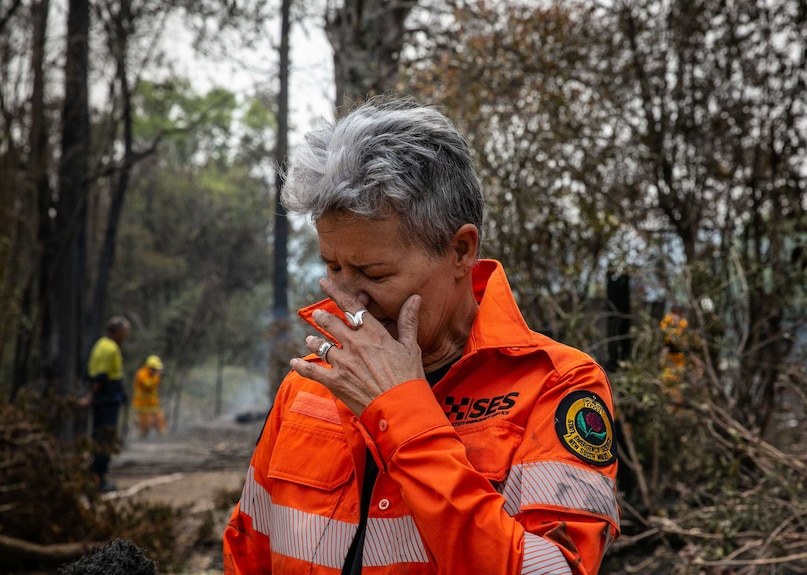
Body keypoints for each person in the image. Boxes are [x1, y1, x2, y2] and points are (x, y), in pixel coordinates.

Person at [223, 95, 620, 575]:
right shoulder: (310, 385)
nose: (349, 299)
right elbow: (247, 555)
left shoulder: (555, 386)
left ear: (460, 250)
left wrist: (404, 415)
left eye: (375, 273)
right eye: (332, 266)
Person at [81, 316, 130, 493]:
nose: (126, 335)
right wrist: (91, 396)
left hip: (108, 400)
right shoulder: (108, 348)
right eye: (125, 331)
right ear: (117, 331)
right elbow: (99, 376)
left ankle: (96, 477)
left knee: (102, 439)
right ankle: (98, 480)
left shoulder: (103, 344)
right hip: (106, 401)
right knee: (104, 439)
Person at [132, 355, 167, 438]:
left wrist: (157, 376)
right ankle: (142, 439)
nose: (157, 371)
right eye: (155, 369)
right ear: (150, 368)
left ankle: (163, 437)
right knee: (145, 423)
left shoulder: (153, 375)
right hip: (143, 404)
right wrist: (157, 377)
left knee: (159, 419)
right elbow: (148, 385)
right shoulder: (142, 374)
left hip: (152, 403)